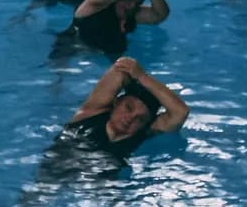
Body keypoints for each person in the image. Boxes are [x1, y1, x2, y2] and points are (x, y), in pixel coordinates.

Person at [53, 57, 189, 160]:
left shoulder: (143, 135)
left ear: (145, 124)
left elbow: (181, 112)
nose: (130, 118)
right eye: (128, 108)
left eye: (140, 119)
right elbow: (121, 68)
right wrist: (140, 77)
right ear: (116, 102)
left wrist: (143, 77)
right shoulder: (90, 113)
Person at [70, 0, 170, 57]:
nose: (132, 5)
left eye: (137, 3)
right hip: (74, 51)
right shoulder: (93, 8)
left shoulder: (130, 13)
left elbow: (160, 15)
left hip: (110, 57)